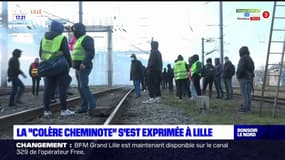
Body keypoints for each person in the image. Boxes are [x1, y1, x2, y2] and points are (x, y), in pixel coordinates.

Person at [39, 20, 74, 116]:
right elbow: (67, 53)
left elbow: (40, 54)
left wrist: (48, 61)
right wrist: (70, 64)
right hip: (60, 67)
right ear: (59, 29)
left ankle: (46, 111)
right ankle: (64, 110)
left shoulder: (44, 39)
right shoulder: (61, 38)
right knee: (62, 88)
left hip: (48, 67)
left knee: (48, 89)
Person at [71, 22, 96, 116]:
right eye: (73, 31)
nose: (74, 32)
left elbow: (91, 52)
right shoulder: (78, 40)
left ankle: (92, 106)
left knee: (83, 86)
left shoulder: (87, 39)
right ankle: (84, 107)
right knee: (80, 87)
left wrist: (84, 63)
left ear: (80, 30)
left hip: (84, 66)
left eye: (75, 30)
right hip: (78, 67)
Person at [236, 46, 255, 112]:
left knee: (244, 94)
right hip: (249, 78)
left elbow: (241, 69)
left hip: (243, 78)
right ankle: (248, 108)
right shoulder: (250, 58)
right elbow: (252, 69)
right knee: (248, 94)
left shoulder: (243, 58)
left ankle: (245, 108)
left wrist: (238, 75)